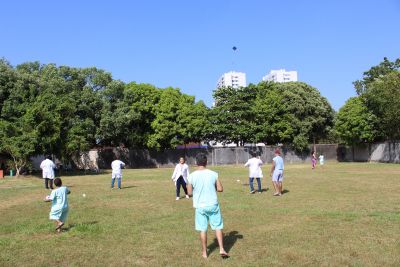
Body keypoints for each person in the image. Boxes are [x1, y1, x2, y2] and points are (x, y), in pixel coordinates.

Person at [187, 153, 229, 259]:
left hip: (200, 206)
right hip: (213, 204)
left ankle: (205, 252)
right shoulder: (214, 174)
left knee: (203, 229)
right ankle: (221, 249)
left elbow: (189, 192)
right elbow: (220, 189)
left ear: (196, 162)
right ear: (206, 162)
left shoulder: (191, 176)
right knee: (218, 227)